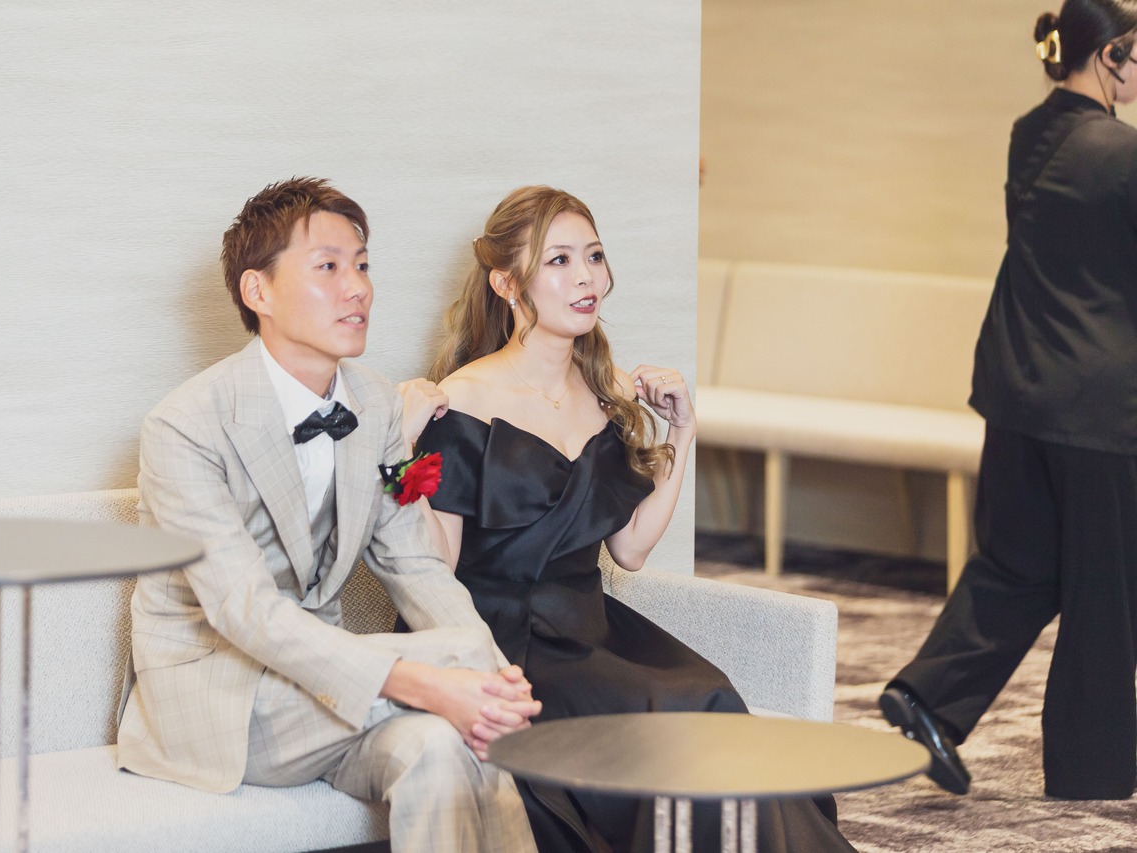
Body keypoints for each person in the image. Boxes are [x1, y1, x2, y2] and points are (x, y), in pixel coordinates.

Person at [398, 185, 855, 852]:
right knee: (674, 715)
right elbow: (435, 566)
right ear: (506, 282)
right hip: (507, 644)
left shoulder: (604, 389)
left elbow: (631, 548)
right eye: (559, 260)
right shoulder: (463, 399)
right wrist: (401, 454)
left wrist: (683, 433)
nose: (586, 277)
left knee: (712, 697)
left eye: (594, 255)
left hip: (591, 627)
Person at [115, 177, 540, 852]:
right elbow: (244, 611)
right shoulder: (184, 426)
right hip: (221, 697)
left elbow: (417, 563)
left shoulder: (378, 406)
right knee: (464, 688)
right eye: (329, 267)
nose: (358, 288)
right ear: (258, 292)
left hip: (328, 691)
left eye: (362, 266)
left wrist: (486, 675)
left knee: (440, 746)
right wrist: (436, 678)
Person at [880, 0, 1137, 802]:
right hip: (1098, 406)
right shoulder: (1121, 153)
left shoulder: (1032, 133)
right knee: (1103, 590)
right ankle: (1092, 772)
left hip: (1018, 386)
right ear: (1109, 57)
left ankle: (928, 696)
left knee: (1016, 563)